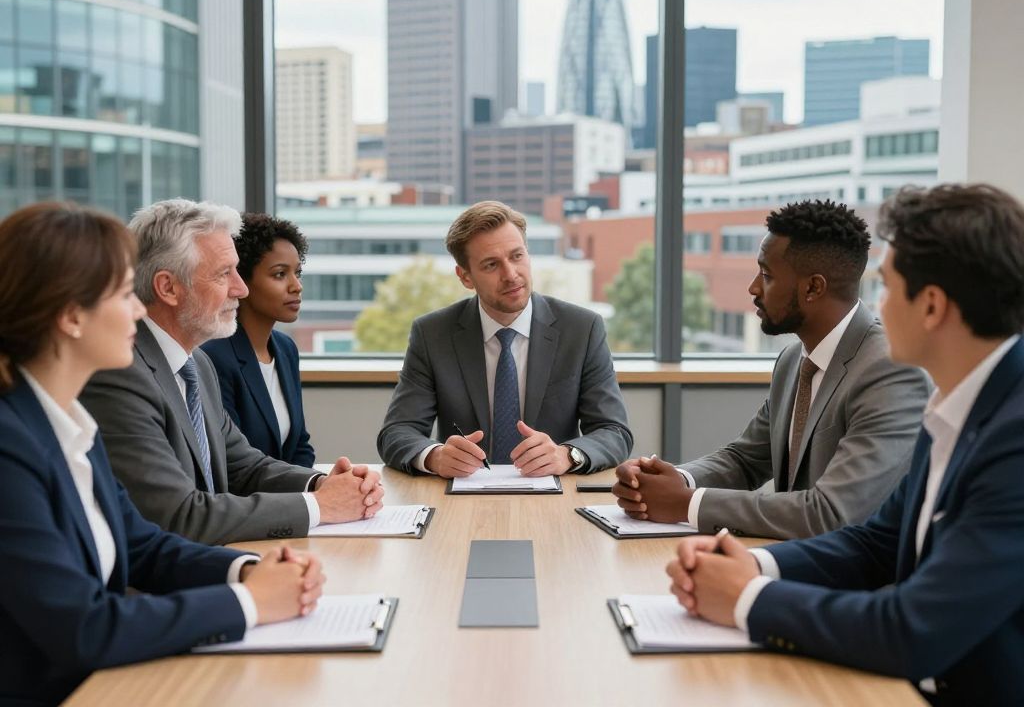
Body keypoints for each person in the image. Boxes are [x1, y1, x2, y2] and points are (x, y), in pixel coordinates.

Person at [666, 184, 1024, 704]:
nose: (875, 306)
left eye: (886, 287)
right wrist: (757, 565)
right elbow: (876, 542)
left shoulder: (1014, 439)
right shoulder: (955, 406)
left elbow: (912, 630)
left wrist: (748, 598)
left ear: (930, 306)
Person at [0, 203, 325, 705]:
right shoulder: (10, 445)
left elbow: (142, 546)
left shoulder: (67, 422)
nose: (138, 309)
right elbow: (86, 627)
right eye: (121, 294)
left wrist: (247, 570)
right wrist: (249, 602)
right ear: (70, 316)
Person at [613, 200, 930, 539]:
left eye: (766, 275)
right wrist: (672, 480)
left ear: (813, 287)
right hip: (794, 557)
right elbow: (745, 460)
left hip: (852, 568)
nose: (753, 288)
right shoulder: (793, 361)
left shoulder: (891, 372)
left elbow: (831, 513)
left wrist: (685, 503)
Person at [80, 199, 384, 545]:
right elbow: (178, 515)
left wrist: (323, 484)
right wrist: (321, 506)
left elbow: (244, 466)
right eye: (225, 274)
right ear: (168, 288)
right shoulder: (120, 373)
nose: (241, 288)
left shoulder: (197, 364)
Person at [378, 200, 632, 477]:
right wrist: (435, 456)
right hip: (464, 493)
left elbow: (614, 432)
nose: (511, 275)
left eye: (517, 256)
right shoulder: (433, 334)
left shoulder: (582, 329)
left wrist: (567, 455)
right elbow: (397, 431)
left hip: (554, 493)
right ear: (465, 277)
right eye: (491, 265)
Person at [201, 214, 314, 467]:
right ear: (241, 281)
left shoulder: (285, 349)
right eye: (280, 274)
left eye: (297, 272)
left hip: (288, 489)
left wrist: (319, 485)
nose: (296, 286)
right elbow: (232, 463)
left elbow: (299, 445)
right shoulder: (214, 356)